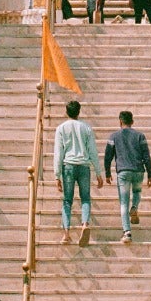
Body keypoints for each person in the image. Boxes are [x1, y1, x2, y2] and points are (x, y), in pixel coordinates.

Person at [54, 98, 102, 244]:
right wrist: (98, 172)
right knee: (85, 198)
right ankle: (85, 224)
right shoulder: (86, 128)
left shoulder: (61, 128)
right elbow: (93, 151)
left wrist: (57, 175)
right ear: (79, 112)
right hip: (84, 166)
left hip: (68, 165)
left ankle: (66, 234)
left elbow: (58, 153)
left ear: (66, 112)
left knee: (67, 200)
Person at [104, 108, 151, 243]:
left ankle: (127, 232)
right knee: (137, 192)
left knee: (123, 202)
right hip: (138, 170)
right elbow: (146, 156)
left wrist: (107, 173)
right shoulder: (140, 136)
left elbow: (108, 156)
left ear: (120, 122)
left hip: (123, 172)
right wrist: (150, 174)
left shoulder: (114, 136)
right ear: (132, 122)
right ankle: (135, 207)